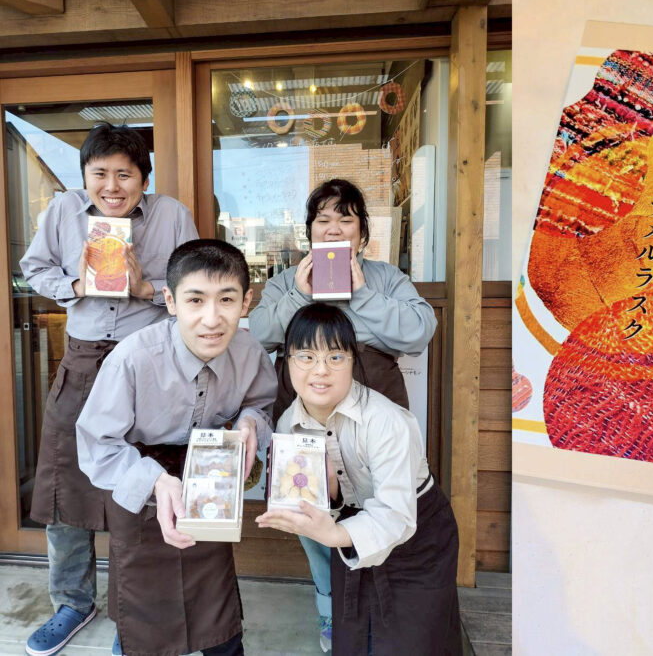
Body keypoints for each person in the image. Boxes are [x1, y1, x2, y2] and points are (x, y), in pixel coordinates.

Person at [20, 122, 198, 656]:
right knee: (64, 491)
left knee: (141, 493)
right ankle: (72, 604)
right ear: (85, 176)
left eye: (125, 174)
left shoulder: (172, 215)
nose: (112, 186)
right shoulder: (62, 211)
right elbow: (34, 268)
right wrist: (74, 285)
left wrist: (149, 289)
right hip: (81, 361)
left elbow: (195, 286)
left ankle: (133, 613)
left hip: (148, 367)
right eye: (100, 173)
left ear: (144, 178)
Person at [248, 178, 436, 649]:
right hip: (305, 412)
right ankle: (330, 608)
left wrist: (363, 293)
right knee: (310, 506)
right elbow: (260, 334)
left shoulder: (386, 278)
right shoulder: (285, 280)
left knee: (377, 502)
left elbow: (419, 331)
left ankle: (375, 610)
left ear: (363, 233)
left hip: (371, 409)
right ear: (309, 231)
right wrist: (299, 294)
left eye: (345, 220)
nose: (333, 230)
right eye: (323, 221)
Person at [76, 239, 277, 656]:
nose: (211, 318)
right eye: (195, 300)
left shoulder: (250, 352)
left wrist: (249, 421)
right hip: (140, 476)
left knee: (217, 616)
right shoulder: (132, 359)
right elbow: (97, 443)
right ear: (170, 301)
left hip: (209, 480)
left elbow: (261, 404)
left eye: (226, 299)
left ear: (246, 302)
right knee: (142, 621)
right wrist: (154, 480)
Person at [255, 303, 461, 655]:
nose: (321, 370)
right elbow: (315, 500)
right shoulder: (289, 426)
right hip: (350, 533)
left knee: (414, 641)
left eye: (335, 357)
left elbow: (395, 514)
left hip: (417, 533)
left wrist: (335, 534)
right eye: (306, 357)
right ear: (287, 362)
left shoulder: (385, 420)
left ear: (353, 361)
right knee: (354, 636)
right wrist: (330, 498)